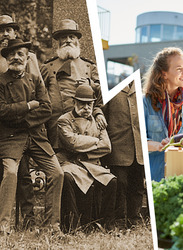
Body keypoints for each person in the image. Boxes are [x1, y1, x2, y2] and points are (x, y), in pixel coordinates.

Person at [0, 38, 64, 234]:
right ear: (7, 58)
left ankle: (51, 225)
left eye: (20, 54)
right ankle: (3, 226)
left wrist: (21, 118)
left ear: (27, 58)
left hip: (36, 136)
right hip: (11, 137)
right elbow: (2, 111)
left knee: (57, 173)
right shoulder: (0, 82)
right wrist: (28, 105)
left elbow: (47, 109)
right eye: (12, 54)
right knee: (10, 172)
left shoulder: (35, 80)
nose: (16, 57)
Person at [0, 14, 44, 229]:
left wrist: (26, 118)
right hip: (3, 118)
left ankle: (28, 220)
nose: (4, 34)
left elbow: (37, 91)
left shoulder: (29, 58)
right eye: (0, 30)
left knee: (23, 173)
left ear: (15, 32)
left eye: (8, 29)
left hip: (17, 126)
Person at [57, 84, 117, 232]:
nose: (86, 107)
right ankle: (73, 226)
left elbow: (107, 147)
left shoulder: (98, 121)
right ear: (74, 103)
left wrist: (82, 144)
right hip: (71, 163)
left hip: (93, 164)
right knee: (67, 178)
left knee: (112, 181)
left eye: (89, 104)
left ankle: (106, 225)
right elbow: (72, 143)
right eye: (82, 103)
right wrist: (96, 141)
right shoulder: (64, 120)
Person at [40, 19, 107, 151]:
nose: (68, 40)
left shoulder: (89, 66)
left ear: (77, 41)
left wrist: (91, 84)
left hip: (83, 128)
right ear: (58, 41)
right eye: (63, 37)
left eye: (72, 36)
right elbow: (39, 94)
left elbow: (102, 95)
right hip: (55, 127)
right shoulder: (48, 67)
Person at [143, 47, 183, 182]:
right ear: (164, 74)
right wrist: (158, 145)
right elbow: (136, 142)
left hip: (182, 173)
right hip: (154, 176)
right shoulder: (145, 102)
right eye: (179, 68)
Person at [101, 81, 145, 227]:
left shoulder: (142, 88)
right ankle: (118, 221)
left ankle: (135, 221)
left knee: (137, 185)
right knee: (120, 185)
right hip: (118, 146)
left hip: (138, 148)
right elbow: (99, 109)